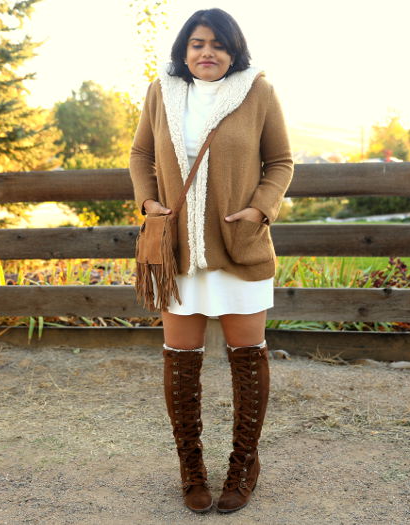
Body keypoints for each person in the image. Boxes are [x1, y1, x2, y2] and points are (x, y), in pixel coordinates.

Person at [129, 8, 293, 514]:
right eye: (198, 43)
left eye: (218, 45)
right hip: (176, 251)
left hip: (238, 247)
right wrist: (148, 202)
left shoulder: (257, 92)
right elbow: (140, 155)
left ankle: (244, 465)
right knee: (181, 365)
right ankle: (192, 469)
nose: (207, 52)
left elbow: (281, 162)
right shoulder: (162, 92)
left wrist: (258, 209)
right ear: (184, 49)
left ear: (233, 51)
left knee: (248, 359)